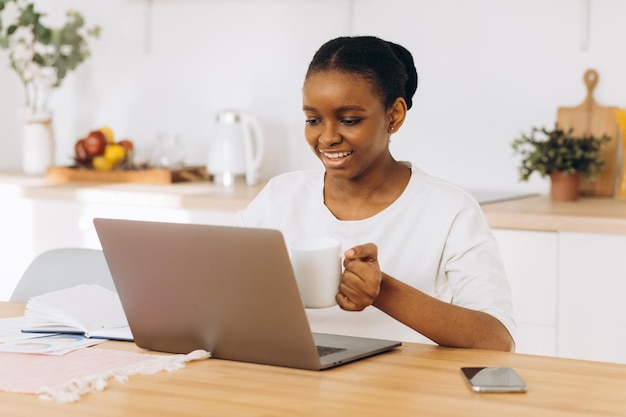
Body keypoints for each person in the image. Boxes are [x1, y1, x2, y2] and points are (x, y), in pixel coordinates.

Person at [237, 36, 515, 352]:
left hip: (404, 393)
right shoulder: (280, 197)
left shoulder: (449, 209)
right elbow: (219, 288)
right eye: (313, 119)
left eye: (349, 120)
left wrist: (382, 291)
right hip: (295, 384)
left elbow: (497, 340)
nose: (327, 137)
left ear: (393, 116)